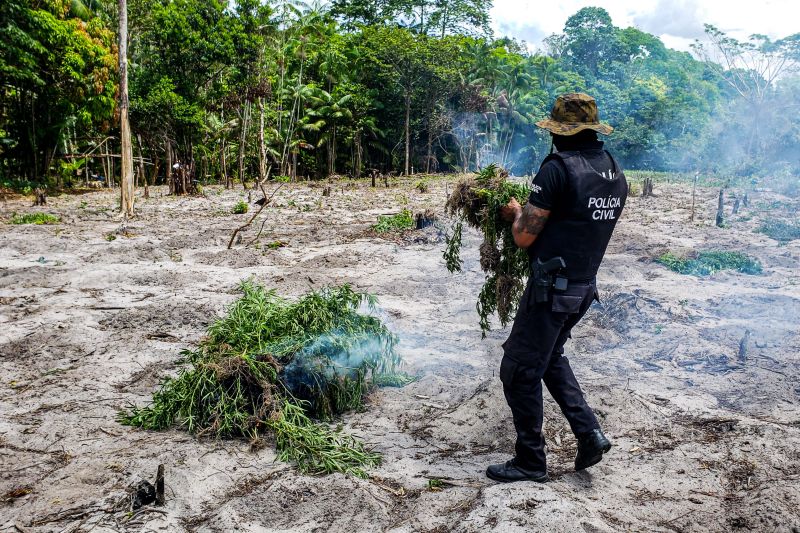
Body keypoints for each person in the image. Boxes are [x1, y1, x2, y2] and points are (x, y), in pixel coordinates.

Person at [487, 93, 628, 483]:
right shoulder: (613, 171)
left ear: (561, 134)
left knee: (517, 369)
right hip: (583, 289)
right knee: (549, 358)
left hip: (551, 290)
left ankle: (530, 461)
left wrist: (515, 212)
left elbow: (524, 237)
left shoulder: (556, 168)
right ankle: (589, 434)